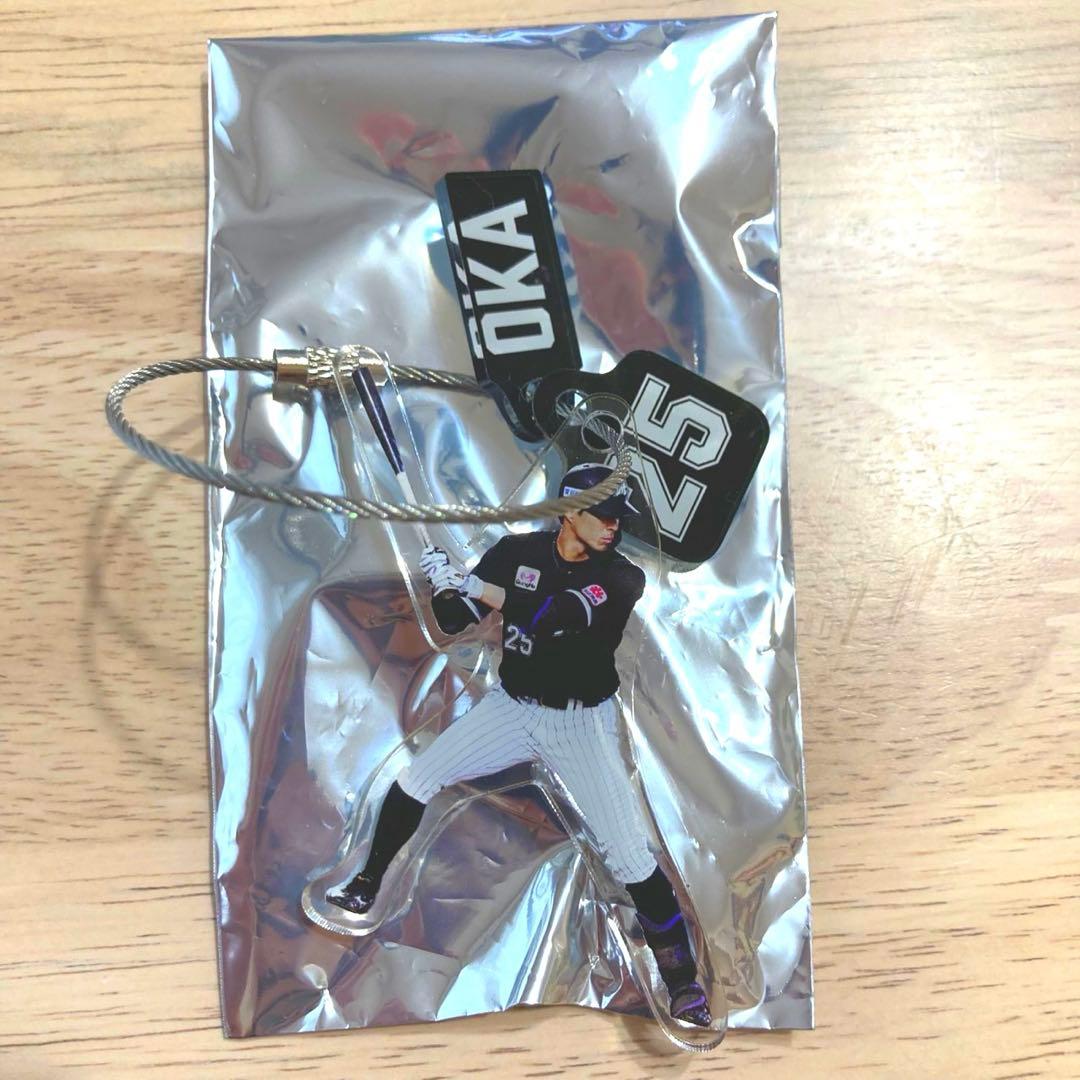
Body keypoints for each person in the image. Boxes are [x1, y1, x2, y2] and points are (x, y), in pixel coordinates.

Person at [327, 463, 712, 1027]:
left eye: (618, 517)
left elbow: (555, 614)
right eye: (602, 514)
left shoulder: (622, 576)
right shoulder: (515, 553)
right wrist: (443, 582)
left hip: (581, 725)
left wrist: (474, 585)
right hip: (512, 708)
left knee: (630, 856)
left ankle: (682, 984)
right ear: (567, 512)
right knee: (417, 777)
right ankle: (365, 884)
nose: (613, 526)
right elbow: (454, 621)